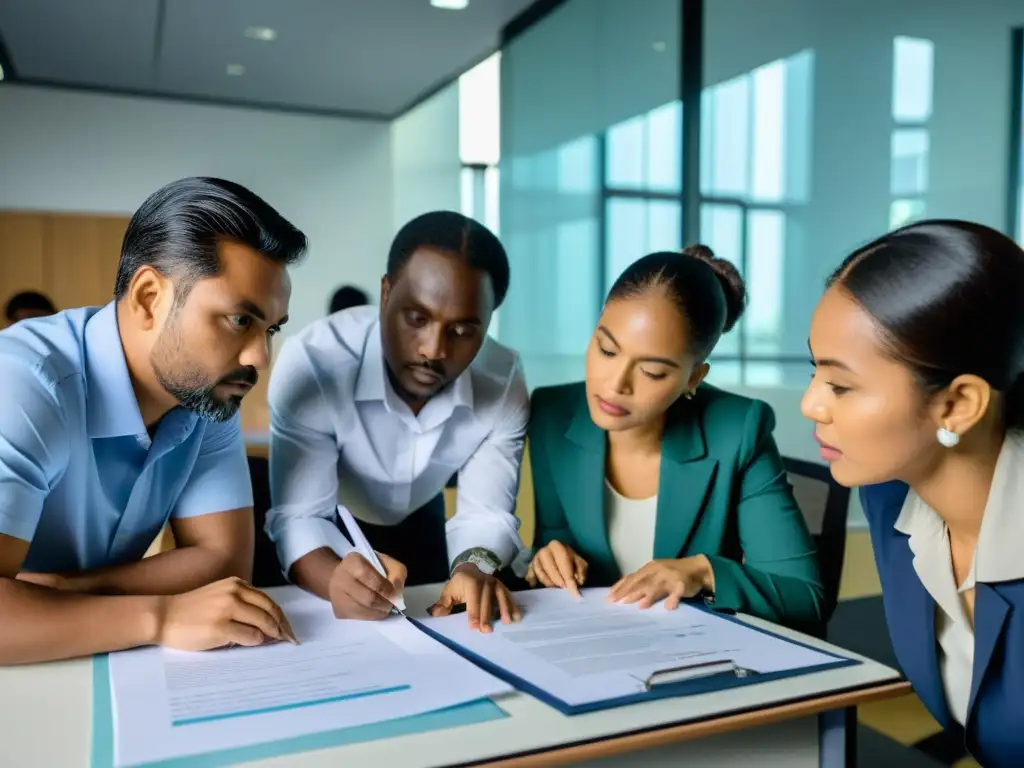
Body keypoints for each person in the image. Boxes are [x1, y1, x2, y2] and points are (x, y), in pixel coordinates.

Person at [0, 177, 307, 665]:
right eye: (239, 320)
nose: (259, 358)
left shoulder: (207, 395)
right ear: (148, 297)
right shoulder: (24, 382)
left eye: (270, 329)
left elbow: (223, 564)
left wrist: (65, 590)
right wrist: (160, 617)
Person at [802, 220, 1024, 765]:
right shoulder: (889, 497)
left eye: (841, 385)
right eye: (815, 372)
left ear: (957, 404)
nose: (811, 404)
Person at [525, 247, 825, 628]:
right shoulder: (554, 415)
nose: (615, 385)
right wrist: (547, 559)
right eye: (606, 349)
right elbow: (555, 547)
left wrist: (703, 573)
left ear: (693, 379)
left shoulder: (739, 429)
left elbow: (805, 598)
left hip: (695, 658)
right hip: (591, 650)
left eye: (651, 372)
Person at [267, 211, 527, 634]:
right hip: (332, 525)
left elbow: (487, 512)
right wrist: (334, 579)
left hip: (427, 518)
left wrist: (474, 566)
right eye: (417, 318)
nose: (433, 349)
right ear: (386, 293)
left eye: (462, 330)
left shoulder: (503, 379)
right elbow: (300, 516)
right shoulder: (314, 364)